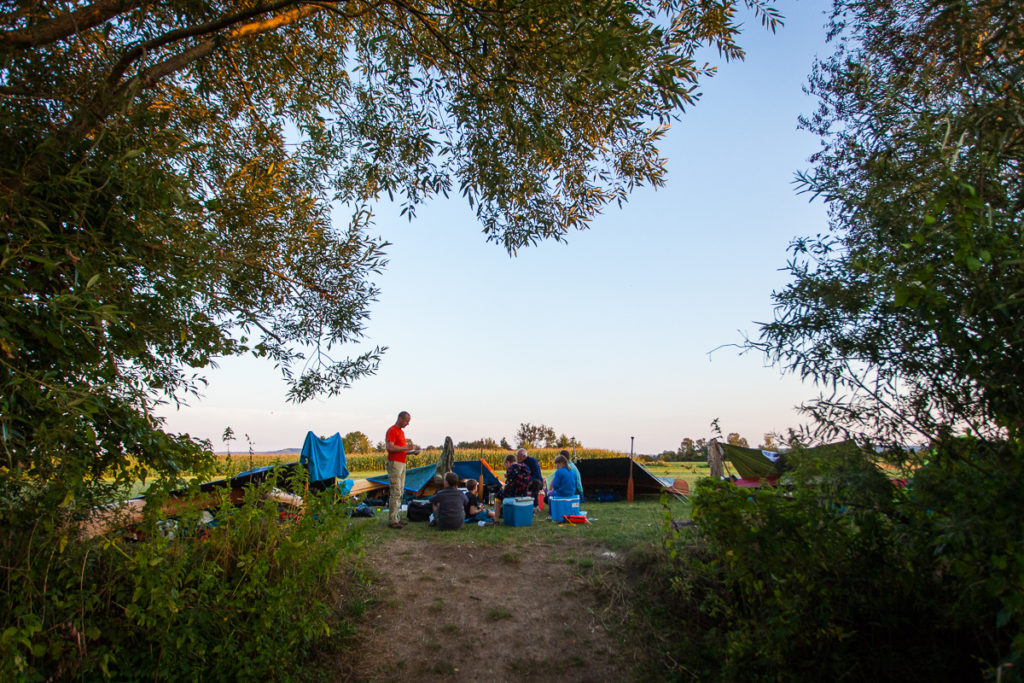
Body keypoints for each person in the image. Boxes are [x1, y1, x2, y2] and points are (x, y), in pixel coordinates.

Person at [385, 411, 420, 529]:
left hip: (402, 463)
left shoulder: (401, 432)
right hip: (395, 463)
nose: (407, 423)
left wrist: (411, 452)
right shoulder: (392, 430)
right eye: (406, 421)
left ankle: (397, 518)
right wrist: (406, 447)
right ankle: (392, 520)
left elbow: (401, 450)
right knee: (395, 490)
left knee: (400, 491)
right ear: (400, 418)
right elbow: (390, 447)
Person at [492, 453, 531, 522]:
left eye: (506, 464)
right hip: (524, 493)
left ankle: (496, 520)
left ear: (508, 462)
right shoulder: (525, 467)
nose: (506, 466)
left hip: (513, 493)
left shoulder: (511, 468)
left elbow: (509, 484)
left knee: (497, 496)